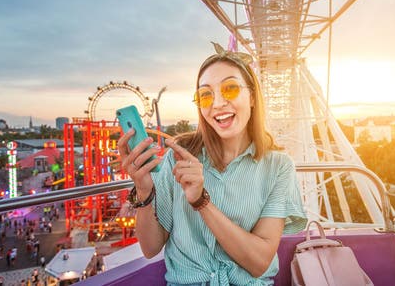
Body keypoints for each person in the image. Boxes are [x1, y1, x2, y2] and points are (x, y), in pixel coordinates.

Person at [116, 42, 306, 285]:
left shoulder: (278, 167)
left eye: (230, 89)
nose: (217, 104)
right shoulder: (178, 157)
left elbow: (259, 262)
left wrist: (201, 201)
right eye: (206, 95)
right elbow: (150, 248)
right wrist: (144, 191)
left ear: (252, 97)